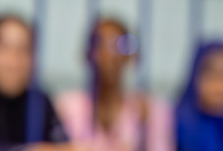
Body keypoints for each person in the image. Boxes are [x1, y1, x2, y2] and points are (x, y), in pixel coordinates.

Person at [55, 19, 172, 151]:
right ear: (87, 54)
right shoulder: (68, 108)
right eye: (100, 44)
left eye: (118, 45)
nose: (109, 54)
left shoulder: (151, 112)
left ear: (131, 56)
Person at [0, 15, 68, 150]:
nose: (14, 59)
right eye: (6, 48)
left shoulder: (40, 102)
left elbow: (64, 146)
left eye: (23, 49)